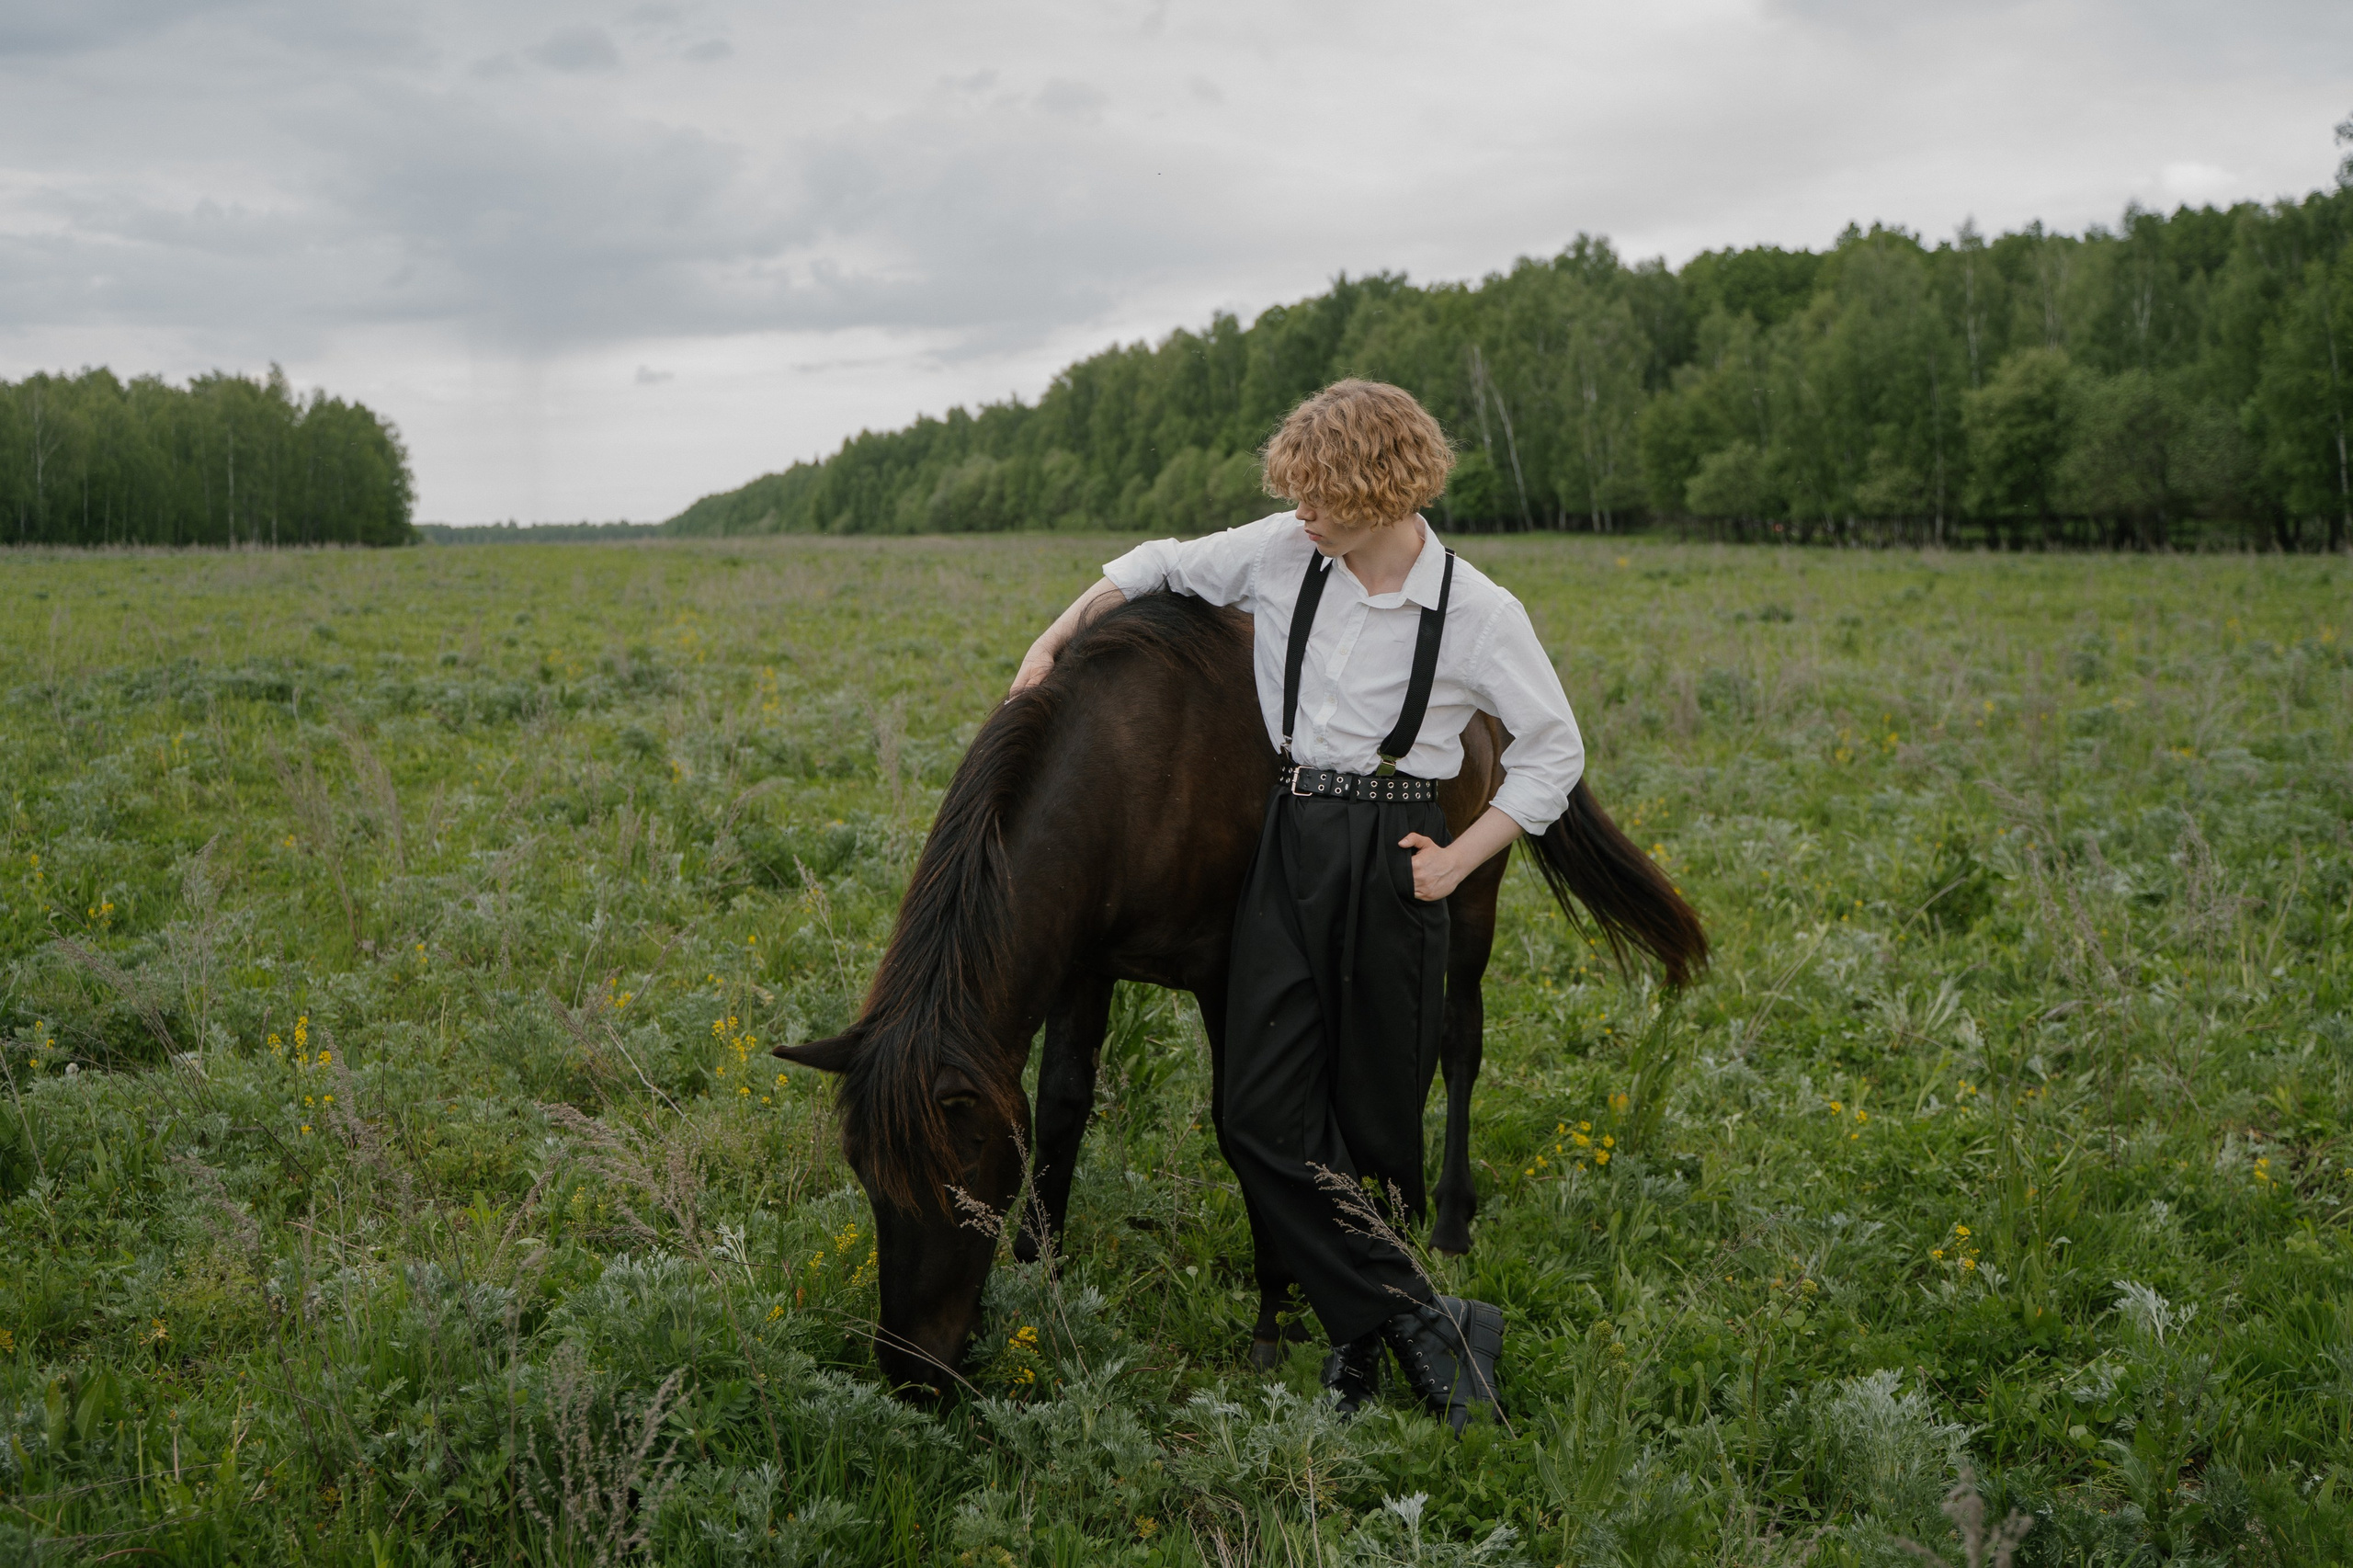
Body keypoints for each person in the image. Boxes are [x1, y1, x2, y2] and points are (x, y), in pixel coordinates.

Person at [1010, 380, 1585, 1432]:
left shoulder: (1478, 613)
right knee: (1256, 1113)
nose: (1301, 515)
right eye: (1296, 498)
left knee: (1371, 1112)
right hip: (1288, 838)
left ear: (1383, 488)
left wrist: (1461, 859)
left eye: (1320, 498)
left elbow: (1554, 752)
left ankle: (1364, 1337)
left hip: (1395, 847)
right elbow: (1156, 563)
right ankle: (1429, 1320)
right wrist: (1050, 640)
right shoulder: (1284, 552)